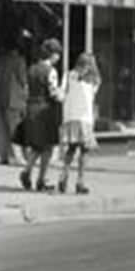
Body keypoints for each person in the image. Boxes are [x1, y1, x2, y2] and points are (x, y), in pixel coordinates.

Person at [20, 39, 63, 192]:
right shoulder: (51, 71)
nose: (58, 57)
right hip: (45, 111)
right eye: (57, 54)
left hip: (31, 107)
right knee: (48, 147)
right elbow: (53, 93)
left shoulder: (31, 69)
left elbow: (25, 90)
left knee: (37, 146)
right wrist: (63, 95)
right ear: (52, 54)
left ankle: (27, 171)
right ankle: (41, 179)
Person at [58, 52, 100, 195]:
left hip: (71, 116)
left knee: (71, 148)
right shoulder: (93, 80)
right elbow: (93, 95)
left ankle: (64, 175)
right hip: (84, 117)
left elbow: (62, 94)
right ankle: (80, 182)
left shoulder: (68, 76)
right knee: (84, 151)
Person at [0, 31, 29, 165]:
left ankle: (0, 156)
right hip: (14, 99)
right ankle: (14, 157)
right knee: (14, 129)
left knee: (1, 129)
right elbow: (23, 81)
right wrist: (26, 98)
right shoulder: (19, 61)